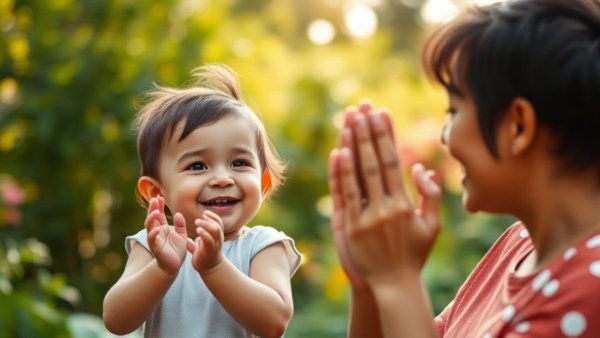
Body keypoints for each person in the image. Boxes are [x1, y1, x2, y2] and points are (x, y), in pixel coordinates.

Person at [328, 0, 600, 337]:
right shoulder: (519, 244)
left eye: (454, 110)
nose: (446, 136)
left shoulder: (590, 288)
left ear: (518, 126)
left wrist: (397, 277)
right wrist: (370, 282)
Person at [103, 64, 301, 338]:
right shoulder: (153, 246)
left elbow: (274, 323)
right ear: (156, 193)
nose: (222, 178)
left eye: (239, 163)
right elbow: (115, 319)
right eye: (197, 166)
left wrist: (214, 267)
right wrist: (162, 268)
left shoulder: (263, 246)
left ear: (263, 183)